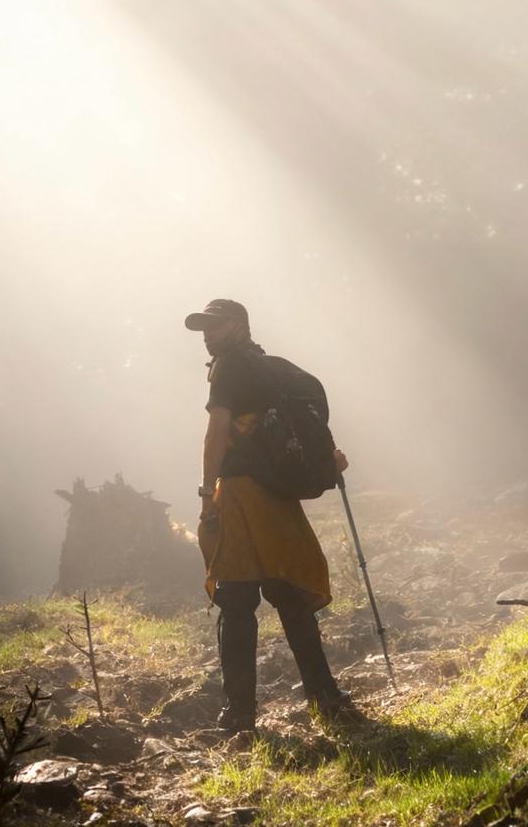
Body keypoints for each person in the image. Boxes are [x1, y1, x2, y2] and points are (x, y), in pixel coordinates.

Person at [185, 298, 353, 733]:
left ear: (238, 326)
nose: (207, 333)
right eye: (204, 326)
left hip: (241, 494)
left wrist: (207, 496)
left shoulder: (227, 368)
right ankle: (326, 699)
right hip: (276, 496)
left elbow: (216, 434)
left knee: (237, 602)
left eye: (215, 325)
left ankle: (239, 715)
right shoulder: (273, 369)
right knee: (292, 598)